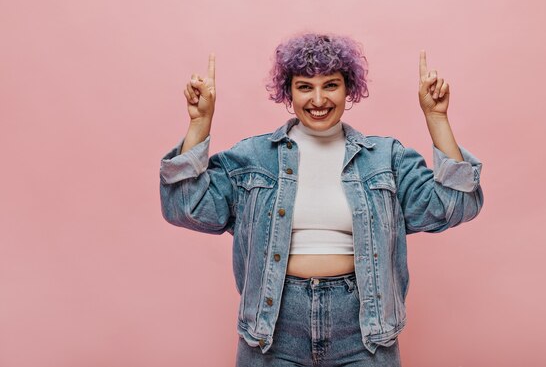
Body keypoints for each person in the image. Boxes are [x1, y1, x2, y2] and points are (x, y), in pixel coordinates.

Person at [159, 32, 484, 366]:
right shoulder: (253, 157)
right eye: (304, 86)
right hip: (273, 329)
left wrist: (437, 119)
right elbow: (186, 207)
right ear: (288, 91)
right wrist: (199, 123)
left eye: (331, 85)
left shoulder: (386, 158)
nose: (318, 99)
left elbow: (454, 204)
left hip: (364, 331)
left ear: (349, 89)